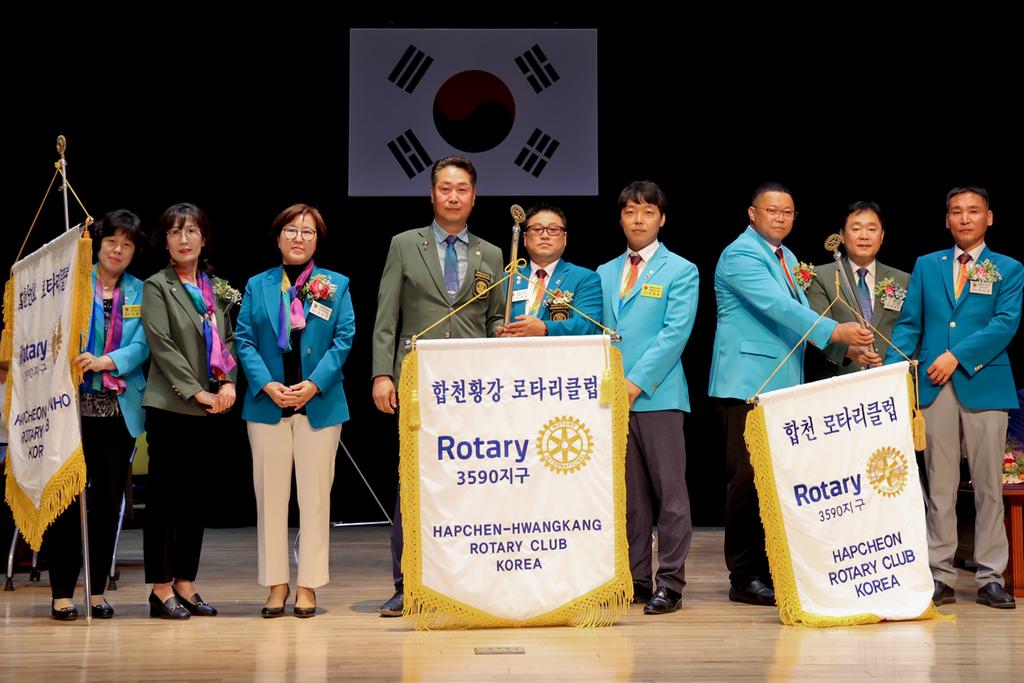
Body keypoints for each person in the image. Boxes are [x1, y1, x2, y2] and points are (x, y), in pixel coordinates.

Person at [708, 183, 873, 606]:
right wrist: (835, 331)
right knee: (747, 481)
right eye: (772, 210)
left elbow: (803, 317)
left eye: (787, 212)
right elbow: (779, 308)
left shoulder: (789, 258)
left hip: (783, 385)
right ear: (752, 213)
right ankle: (743, 575)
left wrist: (845, 349)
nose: (780, 217)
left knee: (774, 482)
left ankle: (771, 568)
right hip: (748, 383)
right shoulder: (740, 255)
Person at [371, 155, 505, 616]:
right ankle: (406, 583)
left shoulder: (492, 253)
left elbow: (494, 319)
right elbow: (386, 316)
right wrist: (382, 373)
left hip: (473, 387)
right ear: (432, 194)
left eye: (461, 189)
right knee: (414, 482)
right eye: (445, 188)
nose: (453, 196)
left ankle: (468, 583)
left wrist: (504, 338)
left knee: (472, 480)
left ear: (474, 197)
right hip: (418, 380)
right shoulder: (405, 244)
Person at [887, 186, 1023, 609]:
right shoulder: (927, 265)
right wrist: (888, 367)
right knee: (940, 487)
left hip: (985, 384)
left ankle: (990, 577)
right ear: (947, 219)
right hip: (934, 385)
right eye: (957, 212)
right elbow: (910, 324)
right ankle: (940, 574)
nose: (965, 218)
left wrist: (956, 356)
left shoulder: (1008, 268)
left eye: (973, 211)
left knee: (989, 488)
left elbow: (1005, 324)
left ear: (989, 218)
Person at [235, 204, 354, 618]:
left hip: (319, 404)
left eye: (308, 231)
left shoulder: (335, 284)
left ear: (317, 240)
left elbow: (344, 339)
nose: (299, 237)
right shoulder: (258, 284)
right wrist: (267, 384)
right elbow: (244, 339)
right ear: (278, 237)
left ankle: (308, 585)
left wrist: (314, 383)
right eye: (291, 230)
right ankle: (276, 584)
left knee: (315, 499)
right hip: (267, 404)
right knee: (270, 499)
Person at [596, 181, 698, 614]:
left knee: (670, 494)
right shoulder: (604, 272)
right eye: (630, 212)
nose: (638, 219)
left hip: (658, 395)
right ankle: (636, 578)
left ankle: (670, 582)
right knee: (630, 497)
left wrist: (635, 382)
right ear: (620, 218)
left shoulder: (681, 270)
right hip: (613, 398)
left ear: (662, 218)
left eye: (648, 212)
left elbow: (675, 334)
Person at [44, 210, 150, 621]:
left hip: (118, 411)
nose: (118, 250)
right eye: (111, 242)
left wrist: (106, 361)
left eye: (127, 244)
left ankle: (97, 590)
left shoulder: (141, 291)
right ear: (97, 244)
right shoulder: (71, 284)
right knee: (67, 501)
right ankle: (61, 592)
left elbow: (144, 345)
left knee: (107, 503)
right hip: (70, 409)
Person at [142, 202, 238, 619]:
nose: (184, 239)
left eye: (191, 231)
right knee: (165, 499)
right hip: (171, 405)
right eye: (175, 232)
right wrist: (199, 392)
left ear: (204, 238)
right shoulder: (156, 285)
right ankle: (160, 588)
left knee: (195, 499)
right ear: (164, 241)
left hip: (209, 406)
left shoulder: (214, 287)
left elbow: (228, 338)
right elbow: (161, 344)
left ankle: (185, 582)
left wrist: (228, 382)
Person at [805, 201, 910, 379]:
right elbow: (815, 330)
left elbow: (909, 330)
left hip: (891, 379)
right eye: (856, 229)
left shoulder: (903, 279)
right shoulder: (821, 277)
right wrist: (847, 351)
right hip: (839, 379)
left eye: (872, 229)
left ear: (882, 236)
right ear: (842, 235)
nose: (864, 236)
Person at [497, 203, 600, 338]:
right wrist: (499, 332)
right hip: (513, 350)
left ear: (565, 238)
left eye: (553, 229)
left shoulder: (585, 278)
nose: (545, 235)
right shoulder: (507, 278)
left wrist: (546, 328)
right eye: (537, 229)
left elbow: (588, 323)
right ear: (525, 238)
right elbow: (493, 319)